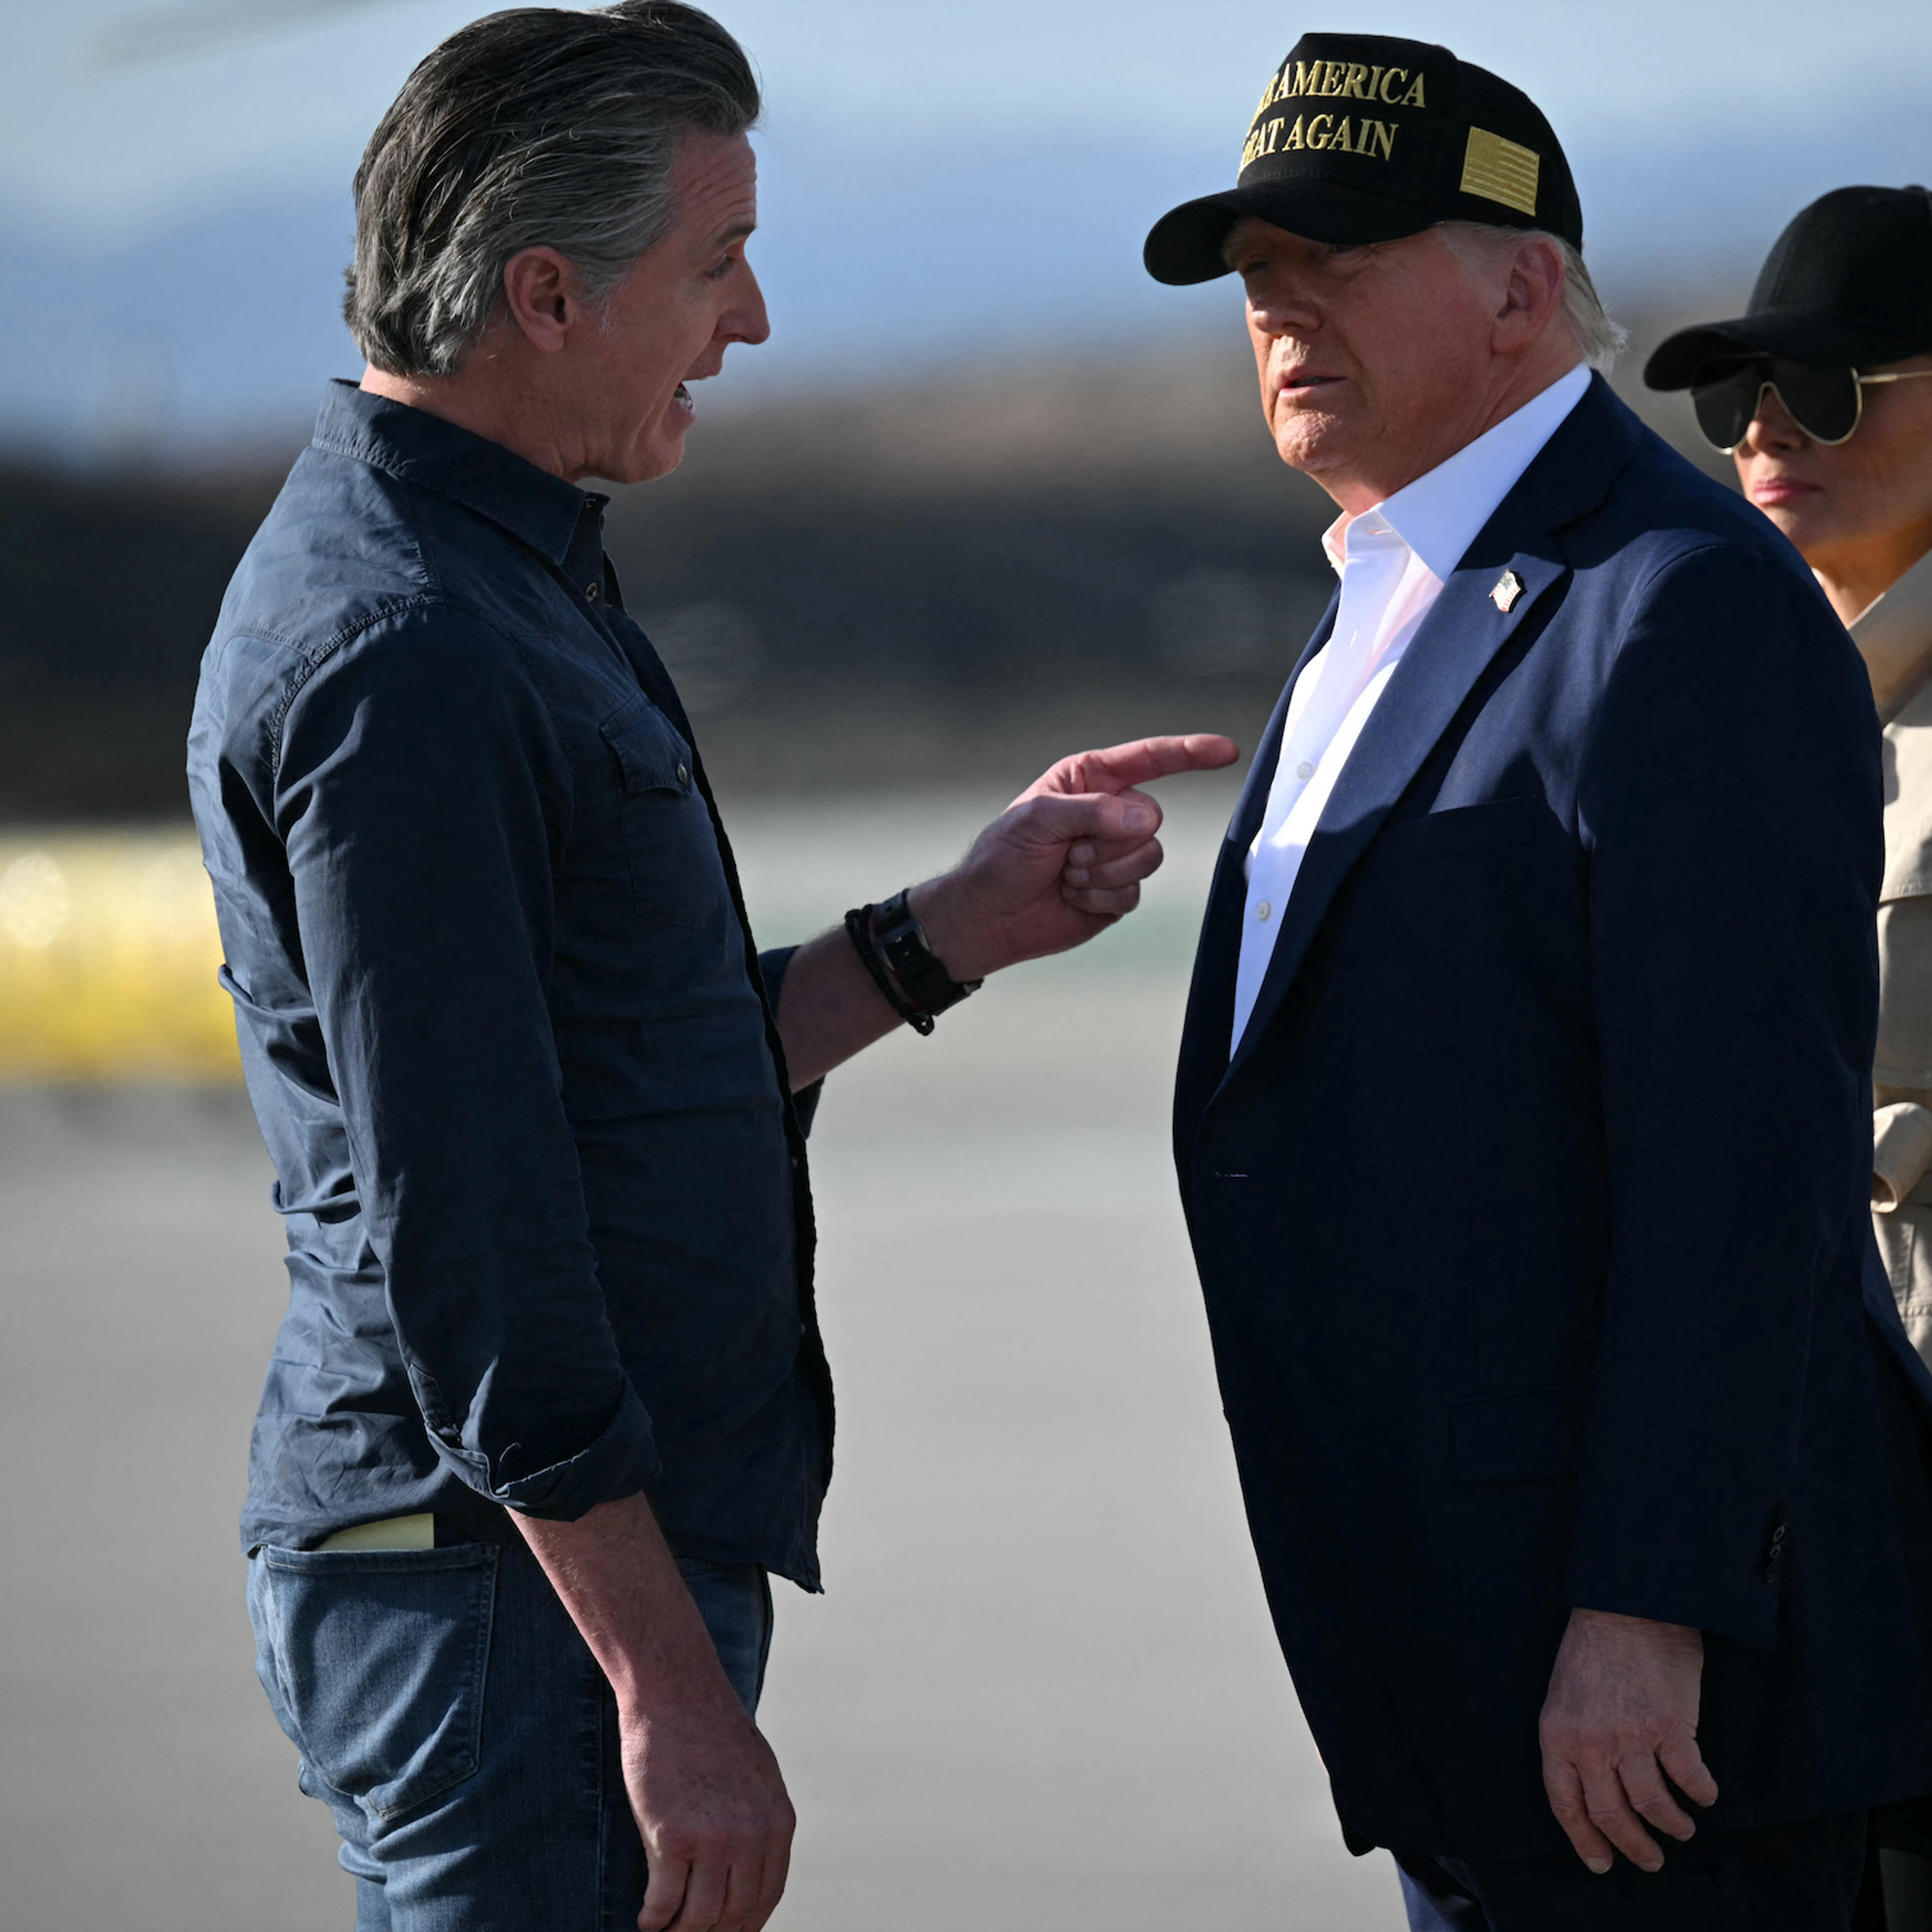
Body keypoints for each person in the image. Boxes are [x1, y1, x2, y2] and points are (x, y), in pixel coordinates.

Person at [186, 7, 1234, 1929]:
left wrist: (943, 934)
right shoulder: (408, 650)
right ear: (547, 296)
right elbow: (476, 1236)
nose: (749, 325)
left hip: (512, 1587)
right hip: (508, 1609)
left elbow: (621, 1077)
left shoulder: (491, 576)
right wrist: (661, 1688)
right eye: (718, 262)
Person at [1144, 31, 1932, 1932]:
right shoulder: (1383, 598)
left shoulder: (1678, 607)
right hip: (1462, 1663)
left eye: (1336, 256)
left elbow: (1748, 1167)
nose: (1280, 307)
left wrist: (1652, 1609)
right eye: (1257, 276)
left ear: (1522, 288)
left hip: (1654, 1727)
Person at [1646, 182, 1932, 1930]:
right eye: (1736, 393)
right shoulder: (1757, 701)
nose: (1765, 428)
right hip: (1835, 1531)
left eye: (1829, 388)